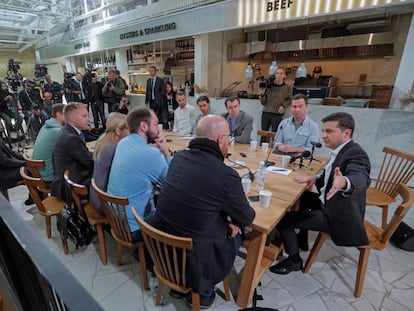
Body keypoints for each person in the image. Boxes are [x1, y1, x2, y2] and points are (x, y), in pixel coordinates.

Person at [151, 114, 255, 308]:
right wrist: (231, 221)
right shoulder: (226, 176)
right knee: (239, 232)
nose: (229, 143)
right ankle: (205, 291)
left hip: (163, 249)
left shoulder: (179, 157)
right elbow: (248, 217)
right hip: (193, 255)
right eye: (228, 138)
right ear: (219, 140)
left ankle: (179, 282)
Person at [269, 112, 371, 275]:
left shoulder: (356, 154)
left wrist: (344, 181)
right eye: (323, 131)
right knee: (299, 197)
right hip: (329, 202)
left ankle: (294, 260)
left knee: (283, 220)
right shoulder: (341, 150)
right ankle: (301, 236)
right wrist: (315, 177)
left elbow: (360, 177)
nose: (323, 135)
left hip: (337, 215)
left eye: (329, 131)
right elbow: (330, 172)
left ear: (346, 133)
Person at [107, 107, 171, 241]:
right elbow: (172, 184)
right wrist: (166, 153)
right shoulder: (151, 154)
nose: (158, 128)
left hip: (117, 220)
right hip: (135, 227)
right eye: (155, 124)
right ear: (143, 126)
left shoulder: (123, 143)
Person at [51, 102, 93, 201]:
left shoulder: (66, 131)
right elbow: (89, 162)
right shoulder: (71, 138)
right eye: (84, 116)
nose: (88, 119)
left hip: (65, 181)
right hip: (68, 189)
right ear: (73, 119)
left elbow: (85, 157)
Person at [89, 112, 129, 212]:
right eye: (128, 128)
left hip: (95, 195)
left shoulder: (103, 140)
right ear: (119, 131)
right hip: (103, 202)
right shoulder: (113, 148)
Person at [32, 104, 65, 185]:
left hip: (39, 173)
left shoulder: (45, 126)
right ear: (59, 115)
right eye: (67, 114)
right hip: (49, 177)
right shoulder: (57, 131)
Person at [259, 67, 292, 143]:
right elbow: (263, 102)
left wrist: (283, 105)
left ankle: (274, 151)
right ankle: (262, 151)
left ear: (284, 76)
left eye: (281, 73)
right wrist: (262, 94)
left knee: (276, 135)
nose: (279, 75)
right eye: (277, 73)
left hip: (277, 114)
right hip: (266, 112)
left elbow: (289, 99)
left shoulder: (287, 88)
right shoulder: (269, 87)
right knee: (264, 135)